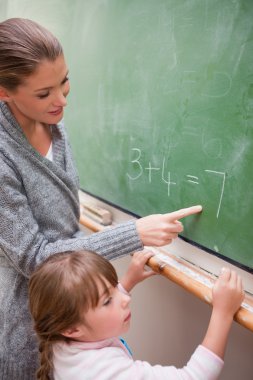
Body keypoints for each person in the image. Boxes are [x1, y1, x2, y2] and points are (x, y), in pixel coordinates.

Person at [0, 17, 202, 379]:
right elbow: (35, 259)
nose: (61, 100)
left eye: (64, 82)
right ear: (4, 92)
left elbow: (62, 222)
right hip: (24, 319)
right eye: (44, 93)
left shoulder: (52, 123)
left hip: (70, 310)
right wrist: (133, 233)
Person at [28, 249, 244, 380]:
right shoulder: (106, 372)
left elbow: (88, 306)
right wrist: (222, 313)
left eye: (114, 288)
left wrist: (126, 282)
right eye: (108, 300)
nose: (125, 298)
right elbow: (194, 376)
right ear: (72, 329)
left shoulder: (60, 339)